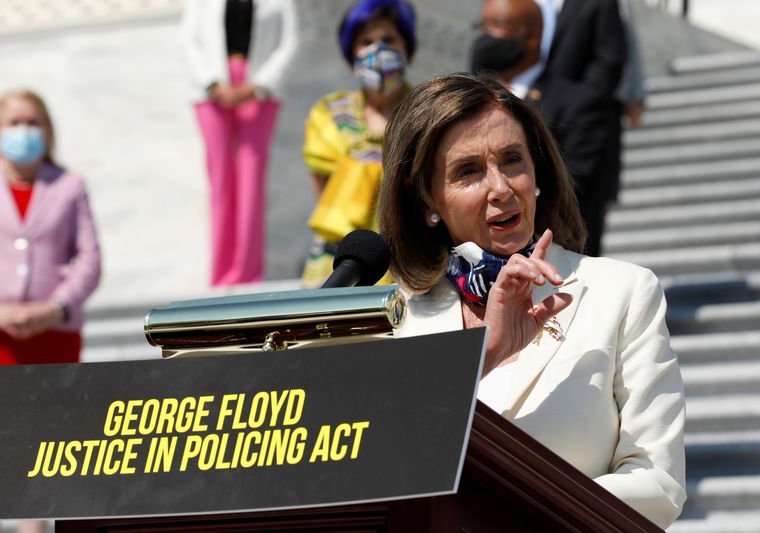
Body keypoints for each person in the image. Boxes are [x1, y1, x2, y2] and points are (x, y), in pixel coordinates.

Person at [378, 73, 685, 528]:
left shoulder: (622, 291)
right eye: (468, 171)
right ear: (426, 199)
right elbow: (374, 466)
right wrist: (482, 356)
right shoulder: (389, 320)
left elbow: (657, 481)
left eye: (512, 160)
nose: (501, 187)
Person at [0, 89, 102, 531]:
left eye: (32, 121)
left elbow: (90, 259)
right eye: (14, 122)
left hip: (51, 335)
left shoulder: (69, 184)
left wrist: (56, 307)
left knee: (41, 448)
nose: (24, 131)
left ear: (47, 130)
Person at [470, 0, 626, 257]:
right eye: (482, 26)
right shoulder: (471, 100)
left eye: (496, 25)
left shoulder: (577, 104)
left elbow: (575, 185)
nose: (486, 37)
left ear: (531, 36)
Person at [181, 0, 298, 286]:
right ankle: (220, 275)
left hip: (258, 92)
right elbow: (189, 39)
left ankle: (247, 274)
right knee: (220, 180)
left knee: (251, 181)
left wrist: (258, 85)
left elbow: (289, 43)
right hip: (212, 94)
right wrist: (211, 83)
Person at [300, 0, 416, 288]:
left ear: (406, 47)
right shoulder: (329, 113)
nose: (379, 49)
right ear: (351, 52)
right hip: (341, 261)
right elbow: (323, 189)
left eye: (389, 39)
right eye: (367, 41)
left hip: (410, 260)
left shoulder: (426, 110)